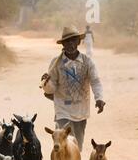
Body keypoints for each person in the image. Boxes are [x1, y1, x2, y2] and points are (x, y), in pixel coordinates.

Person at [41, 25, 105, 153]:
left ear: (78, 42)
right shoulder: (56, 63)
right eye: (67, 41)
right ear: (63, 44)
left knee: (76, 148)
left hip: (81, 111)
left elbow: (95, 81)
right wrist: (46, 83)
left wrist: (99, 98)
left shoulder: (87, 62)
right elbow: (50, 90)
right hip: (63, 110)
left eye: (73, 40)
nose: (70, 43)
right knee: (60, 143)